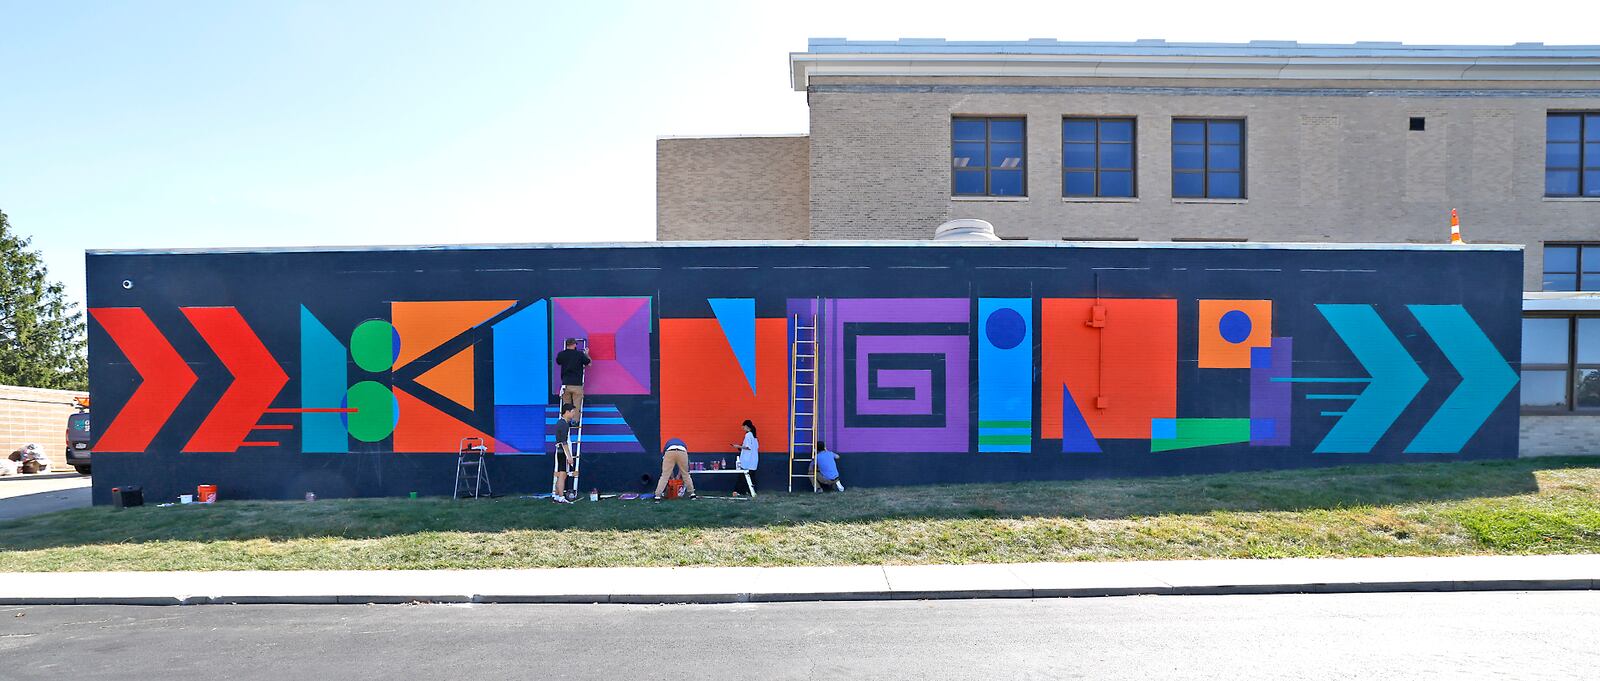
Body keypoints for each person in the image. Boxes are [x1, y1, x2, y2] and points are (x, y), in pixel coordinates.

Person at [554, 338, 591, 418]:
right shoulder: (579, 354)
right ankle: (575, 420)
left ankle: (566, 419)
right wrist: (586, 354)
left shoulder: (561, 354)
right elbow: (588, 363)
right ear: (574, 345)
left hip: (565, 384)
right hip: (577, 384)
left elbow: (558, 361)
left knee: (566, 404)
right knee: (577, 404)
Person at [552, 403, 577, 503]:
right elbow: (564, 441)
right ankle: (561, 496)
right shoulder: (563, 424)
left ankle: (557, 495)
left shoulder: (563, 423)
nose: (574, 414)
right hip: (563, 451)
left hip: (560, 450)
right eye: (572, 412)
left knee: (562, 474)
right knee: (562, 474)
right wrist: (569, 456)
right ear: (567, 412)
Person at [730, 420, 759, 496]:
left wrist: (738, 446)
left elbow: (748, 447)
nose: (743, 428)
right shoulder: (754, 436)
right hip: (753, 460)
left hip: (747, 460)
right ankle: (751, 491)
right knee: (751, 476)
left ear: (746, 426)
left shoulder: (748, 435)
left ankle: (738, 491)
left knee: (742, 476)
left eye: (743, 427)